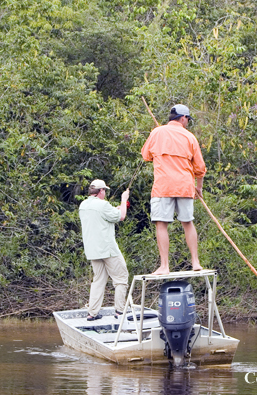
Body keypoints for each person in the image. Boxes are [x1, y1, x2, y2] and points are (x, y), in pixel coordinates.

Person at [141, 104, 207, 275]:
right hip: (185, 186)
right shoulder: (189, 137)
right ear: (183, 118)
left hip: (163, 186)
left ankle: (164, 265)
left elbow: (145, 156)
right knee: (187, 222)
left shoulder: (157, 132)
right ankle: (195, 261)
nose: (187, 123)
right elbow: (200, 168)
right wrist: (199, 187)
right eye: (187, 120)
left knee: (161, 224)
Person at [79, 179, 130, 321]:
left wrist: (117, 208)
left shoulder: (83, 205)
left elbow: (104, 215)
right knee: (121, 278)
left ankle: (92, 313)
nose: (105, 193)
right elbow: (121, 216)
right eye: (104, 191)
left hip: (92, 250)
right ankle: (120, 311)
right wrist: (123, 199)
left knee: (99, 280)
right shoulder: (103, 205)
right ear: (101, 191)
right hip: (107, 249)